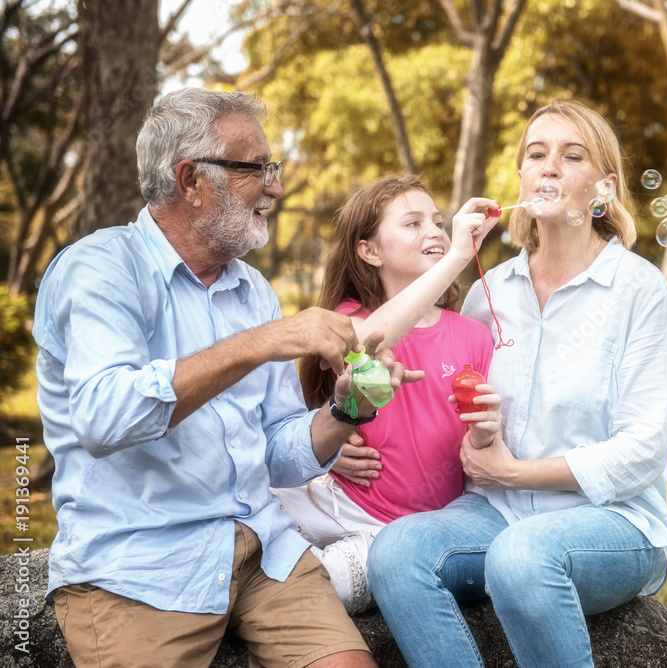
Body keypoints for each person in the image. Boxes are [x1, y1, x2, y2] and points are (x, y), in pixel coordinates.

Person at [32, 87, 418, 668]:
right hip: (139, 562)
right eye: (257, 169)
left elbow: (277, 450)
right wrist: (259, 343)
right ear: (191, 180)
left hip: (262, 549)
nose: (276, 187)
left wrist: (346, 411)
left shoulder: (252, 289)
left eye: (273, 168)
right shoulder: (100, 268)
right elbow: (103, 417)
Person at [366, 99, 667, 667]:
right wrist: (348, 442)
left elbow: (644, 451)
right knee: (396, 552)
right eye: (536, 154)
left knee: (521, 557)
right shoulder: (492, 291)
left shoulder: (640, 290)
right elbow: (460, 412)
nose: (550, 167)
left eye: (572, 155)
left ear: (603, 190)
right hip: (498, 512)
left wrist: (514, 471)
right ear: (520, 178)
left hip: (615, 522)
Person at [272, 174, 502, 614]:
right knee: (237, 525)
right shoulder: (347, 317)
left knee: (323, 588)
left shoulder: (472, 335)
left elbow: (479, 433)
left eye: (437, 221)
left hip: (400, 531)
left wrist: (485, 435)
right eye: (413, 223)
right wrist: (457, 255)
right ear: (369, 251)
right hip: (332, 498)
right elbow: (363, 343)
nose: (435, 231)